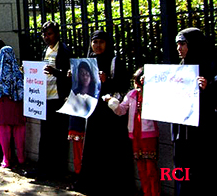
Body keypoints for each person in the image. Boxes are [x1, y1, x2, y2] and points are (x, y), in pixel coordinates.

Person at [73, 30, 134, 195]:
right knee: (94, 147)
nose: (97, 46)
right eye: (94, 42)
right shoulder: (89, 62)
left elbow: (122, 85)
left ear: (107, 43)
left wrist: (108, 80)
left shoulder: (115, 61)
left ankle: (112, 186)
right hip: (94, 112)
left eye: (101, 42)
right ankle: (92, 184)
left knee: (111, 148)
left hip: (110, 113)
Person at [172, 27, 217, 195]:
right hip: (183, 132)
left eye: (183, 44)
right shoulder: (180, 67)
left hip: (204, 132)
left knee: (204, 169)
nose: (179, 48)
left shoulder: (212, 65)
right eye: (177, 44)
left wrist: (208, 88)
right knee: (183, 169)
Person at [111, 67, 160, 196]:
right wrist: (112, 103)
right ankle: (146, 192)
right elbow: (121, 110)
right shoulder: (131, 94)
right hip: (135, 135)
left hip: (148, 135)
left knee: (151, 169)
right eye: (136, 82)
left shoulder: (152, 94)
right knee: (141, 169)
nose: (137, 85)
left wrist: (147, 89)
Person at [35, 21, 72, 180]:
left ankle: (58, 171)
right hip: (46, 99)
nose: (46, 37)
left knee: (58, 137)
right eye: (44, 34)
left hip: (59, 99)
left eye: (49, 33)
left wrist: (55, 72)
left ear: (57, 33)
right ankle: (44, 169)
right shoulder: (46, 50)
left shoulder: (63, 51)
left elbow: (69, 75)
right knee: (46, 136)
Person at [0, 46, 26, 169]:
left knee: (4, 132)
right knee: (19, 130)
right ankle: (21, 158)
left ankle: (6, 159)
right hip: (16, 104)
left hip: (2, 104)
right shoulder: (18, 72)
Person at [68, 61, 96, 176]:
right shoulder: (74, 91)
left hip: (89, 127)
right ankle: (78, 174)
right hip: (76, 125)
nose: (84, 77)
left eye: (87, 74)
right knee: (77, 152)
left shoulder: (95, 92)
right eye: (81, 74)